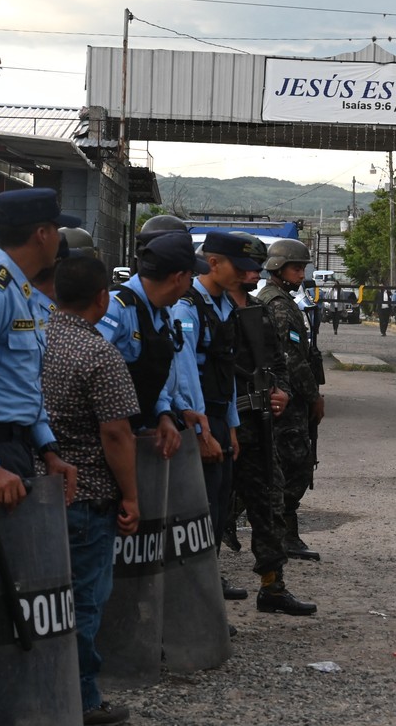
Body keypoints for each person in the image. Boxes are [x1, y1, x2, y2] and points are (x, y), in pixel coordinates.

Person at [42, 256, 141, 725]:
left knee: (36, 601)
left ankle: (34, 692)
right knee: (82, 603)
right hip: (87, 498)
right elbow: (117, 433)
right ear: (102, 299)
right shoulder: (99, 353)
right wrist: (132, 496)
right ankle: (80, 699)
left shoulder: (32, 338)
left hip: (35, 493)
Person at [226, 236, 317, 614]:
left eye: (256, 267)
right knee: (216, 504)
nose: (253, 273)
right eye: (246, 267)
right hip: (222, 423)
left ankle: (273, 586)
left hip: (259, 421)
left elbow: (280, 361)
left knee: (270, 500)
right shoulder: (206, 309)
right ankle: (205, 578)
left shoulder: (258, 311)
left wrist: (281, 391)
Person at [171, 231, 250, 570]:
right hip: (196, 420)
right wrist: (203, 433)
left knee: (219, 503)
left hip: (218, 418)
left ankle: (210, 579)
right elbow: (185, 372)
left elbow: (226, 368)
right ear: (214, 262)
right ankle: (195, 588)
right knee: (197, 508)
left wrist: (231, 426)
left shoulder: (225, 306)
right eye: (238, 266)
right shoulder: (187, 309)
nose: (245, 274)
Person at [0, 187, 79, 509]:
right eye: (57, 229)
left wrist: (48, 449)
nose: (60, 237)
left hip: (16, 448)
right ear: (42, 235)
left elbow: (19, 380)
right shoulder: (2, 288)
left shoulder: (22, 288)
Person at [99, 231, 203, 460]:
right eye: (190, 277)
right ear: (177, 278)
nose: (190, 285)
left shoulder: (161, 311)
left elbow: (155, 379)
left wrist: (164, 413)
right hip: (106, 444)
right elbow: (91, 377)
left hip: (140, 434)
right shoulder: (117, 309)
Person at [258, 239, 327, 563]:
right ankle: (282, 535)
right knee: (294, 466)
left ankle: (286, 534)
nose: (301, 273)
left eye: (303, 267)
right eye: (296, 268)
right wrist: (313, 397)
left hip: (290, 397)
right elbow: (292, 359)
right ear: (277, 268)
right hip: (289, 398)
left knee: (292, 465)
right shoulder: (278, 304)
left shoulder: (282, 299)